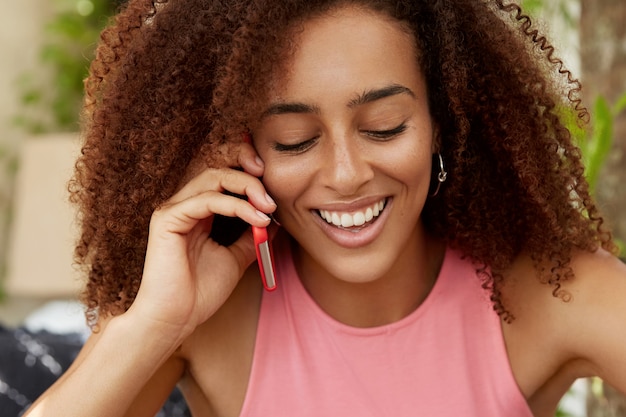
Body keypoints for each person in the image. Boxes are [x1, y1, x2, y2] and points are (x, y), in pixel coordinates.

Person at [25, 0, 626, 416]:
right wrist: (152, 322)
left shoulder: (556, 296)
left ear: (443, 121)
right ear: (245, 148)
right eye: (294, 140)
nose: (346, 175)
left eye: (385, 128)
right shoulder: (206, 323)